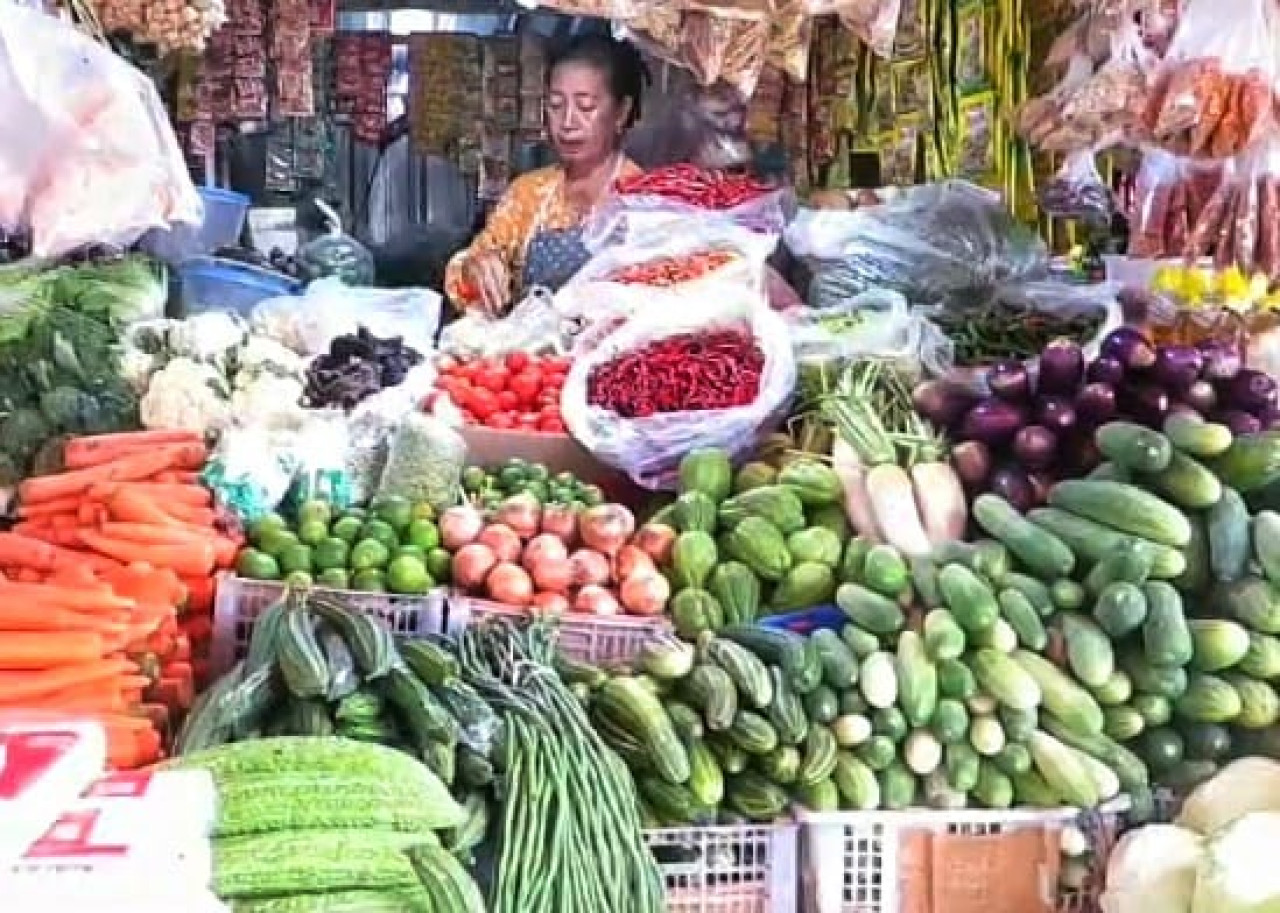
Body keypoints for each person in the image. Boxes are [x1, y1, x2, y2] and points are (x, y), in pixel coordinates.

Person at [444, 34, 648, 314]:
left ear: (621, 113)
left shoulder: (647, 201)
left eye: (585, 107)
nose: (567, 123)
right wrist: (474, 269)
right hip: (532, 353)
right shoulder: (529, 193)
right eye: (555, 105)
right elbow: (462, 272)